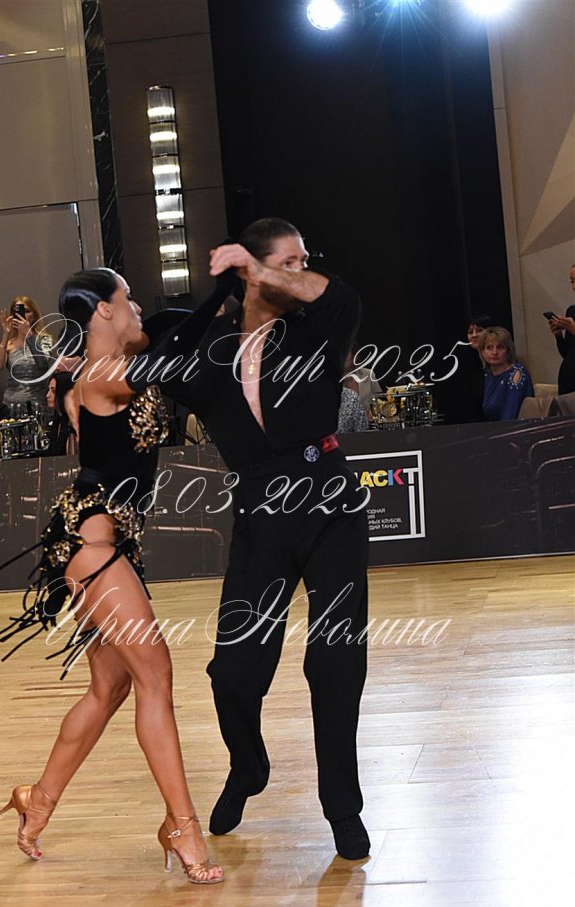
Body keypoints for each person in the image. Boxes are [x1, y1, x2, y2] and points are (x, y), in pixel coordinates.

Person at [0, 268, 223, 884]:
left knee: (110, 688)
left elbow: (167, 329)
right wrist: (224, 291)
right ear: (102, 311)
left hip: (114, 542)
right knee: (155, 673)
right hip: (90, 541)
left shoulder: (102, 364)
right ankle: (183, 826)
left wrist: (220, 296)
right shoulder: (103, 375)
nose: (137, 308)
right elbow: (173, 347)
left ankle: (37, 799)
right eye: (127, 299)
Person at [154, 218, 371, 860]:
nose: (301, 272)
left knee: (334, 660)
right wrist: (222, 297)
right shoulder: (214, 349)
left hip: (329, 501)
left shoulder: (314, 329)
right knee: (233, 673)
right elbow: (162, 369)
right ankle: (248, 766)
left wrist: (265, 273)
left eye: (302, 261)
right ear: (248, 268)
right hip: (261, 511)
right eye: (289, 261)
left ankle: (342, 807)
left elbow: (342, 298)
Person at [0, 295, 52, 413]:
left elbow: (43, 364)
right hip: (11, 403)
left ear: (34, 316)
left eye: (27, 311)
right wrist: (6, 334)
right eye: (18, 311)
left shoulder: (43, 339)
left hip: (36, 403)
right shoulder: (9, 343)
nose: (23, 315)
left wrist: (28, 334)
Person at [479, 327, 534, 421]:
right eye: (489, 348)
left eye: (500, 347)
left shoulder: (517, 373)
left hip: (514, 427)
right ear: (482, 352)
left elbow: (511, 414)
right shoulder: (488, 375)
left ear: (508, 351)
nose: (495, 352)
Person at [547, 264, 575, 394]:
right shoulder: (572, 311)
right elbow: (567, 353)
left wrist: (574, 329)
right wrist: (558, 335)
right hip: (568, 382)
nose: (574, 286)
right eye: (572, 281)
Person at [45, 372, 77, 456]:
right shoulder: (58, 418)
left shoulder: (72, 423)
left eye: (53, 391)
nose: (47, 395)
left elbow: (72, 458)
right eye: (48, 390)